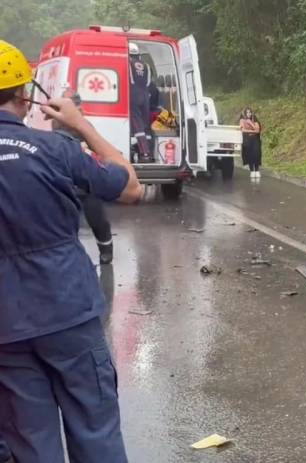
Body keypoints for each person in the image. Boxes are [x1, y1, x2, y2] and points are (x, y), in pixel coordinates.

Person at [0, 40, 142, 462]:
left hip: (6, 328)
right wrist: (80, 125)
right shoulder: (56, 150)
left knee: (30, 443)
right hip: (69, 313)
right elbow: (130, 185)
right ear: (26, 96)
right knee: (95, 432)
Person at [55, 88, 114, 264]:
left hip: (86, 181)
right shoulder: (56, 124)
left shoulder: (85, 125)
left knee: (97, 219)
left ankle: (106, 248)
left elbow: (97, 148)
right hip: (65, 180)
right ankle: (67, 255)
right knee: (62, 222)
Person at [129, 42, 154, 163]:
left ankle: (144, 153)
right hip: (145, 95)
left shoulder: (128, 63)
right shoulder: (147, 66)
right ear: (138, 55)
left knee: (137, 125)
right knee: (145, 124)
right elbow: (149, 83)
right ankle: (150, 151)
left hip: (133, 95)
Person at [239, 107, 263, 179]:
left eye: (250, 112)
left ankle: (257, 170)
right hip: (247, 140)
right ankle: (252, 171)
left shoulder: (254, 119)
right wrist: (253, 130)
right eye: (247, 113)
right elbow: (243, 130)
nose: (249, 114)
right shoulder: (242, 120)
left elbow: (257, 130)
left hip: (255, 139)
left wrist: (250, 123)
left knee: (256, 154)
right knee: (249, 154)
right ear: (245, 113)